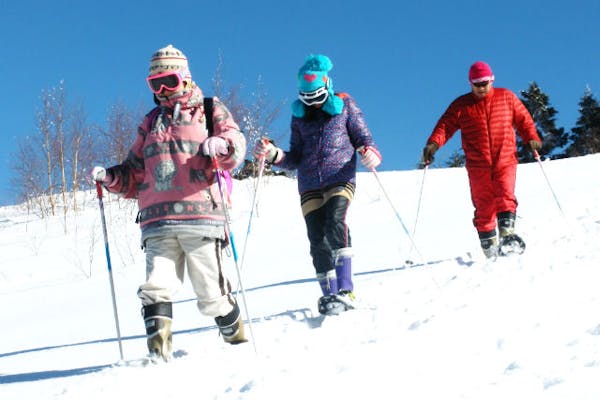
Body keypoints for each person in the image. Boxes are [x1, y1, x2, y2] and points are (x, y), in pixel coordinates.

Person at [91, 44, 248, 360]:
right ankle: (158, 354)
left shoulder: (208, 108)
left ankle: (237, 344)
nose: (163, 91)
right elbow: (134, 171)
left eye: (170, 82)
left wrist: (224, 144)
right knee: (155, 287)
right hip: (157, 221)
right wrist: (110, 178)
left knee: (212, 295)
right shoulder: (150, 122)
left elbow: (237, 141)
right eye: (155, 84)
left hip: (201, 216)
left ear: (186, 79)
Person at [253, 54, 382, 315]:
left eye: (317, 97)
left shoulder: (345, 104)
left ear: (327, 86)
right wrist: (274, 155)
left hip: (340, 175)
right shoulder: (299, 117)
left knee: (335, 220)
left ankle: (346, 289)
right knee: (316, 237)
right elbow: (295, 156)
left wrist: (370, 152)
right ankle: (330, 295)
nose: (312, 103)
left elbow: (362, 136)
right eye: (306, 98)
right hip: (309, 182)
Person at [422, 61, 542, 258]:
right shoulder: (462, 105)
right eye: (477, 84)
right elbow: (445, 126)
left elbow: (523, 120)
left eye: (485, 83)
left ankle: (508, 237)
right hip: (478, 165)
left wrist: (532, 138)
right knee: (483, 205)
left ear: (491, 80)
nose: (481, 87)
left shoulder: (506, 97)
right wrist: (433, 144)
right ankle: (490, 249)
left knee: (505, 194)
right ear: (470, 84)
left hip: (505, 158)